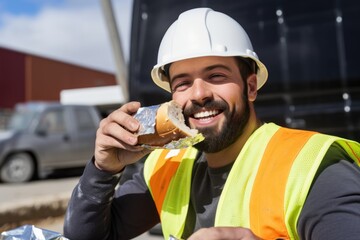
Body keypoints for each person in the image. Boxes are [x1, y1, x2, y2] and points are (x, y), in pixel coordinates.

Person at [63, 8, 360, 240]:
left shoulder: (313, 169)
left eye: (216, 76)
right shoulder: (168, 165)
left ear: (251, 87)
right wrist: (103, 170)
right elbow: (86, 236)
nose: (199, 94)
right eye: (182, 83)